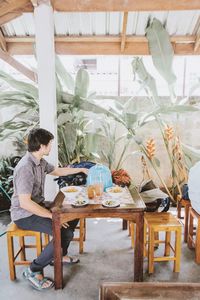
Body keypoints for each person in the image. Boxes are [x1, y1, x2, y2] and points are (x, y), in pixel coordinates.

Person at [10, 128, 88, 290]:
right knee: (62, 231)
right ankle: (33, 269)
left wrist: (81, 169)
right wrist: (51, 216)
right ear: (43, 146)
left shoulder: (39, 161)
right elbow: (25, 203)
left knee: (72, 214)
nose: (51, 146)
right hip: (24, 214)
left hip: (38, 205)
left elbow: (58, 171)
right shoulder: (26, 167)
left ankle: (58, 255)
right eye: (50, 143)